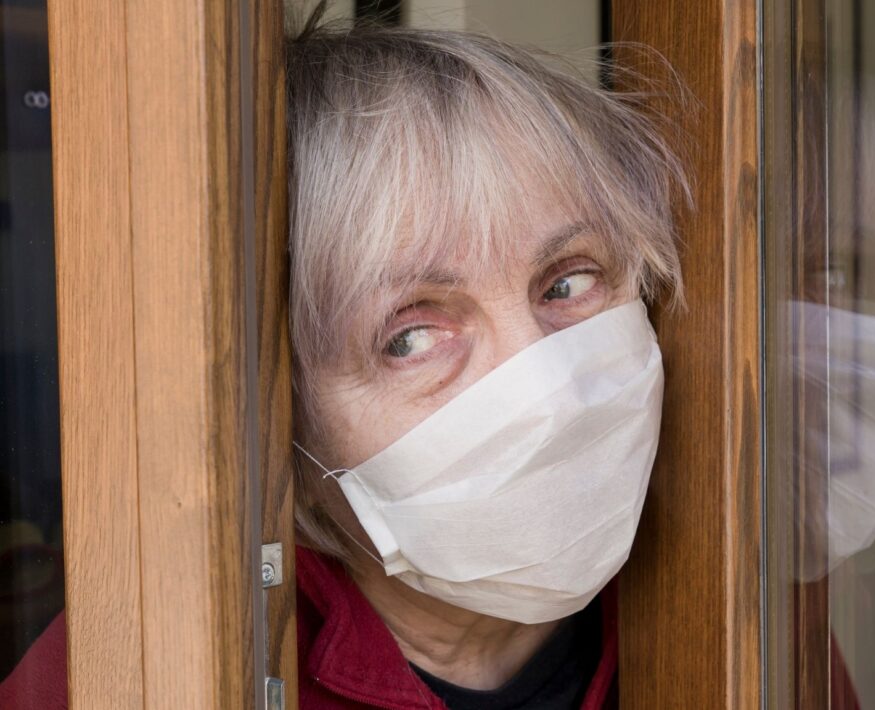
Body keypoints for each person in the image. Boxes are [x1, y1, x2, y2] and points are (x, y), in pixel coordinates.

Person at [1, 17, 685, 710]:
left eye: (568, 283)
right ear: (285, 416)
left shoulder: (722, 592)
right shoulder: (138, 668)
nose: (549, 390)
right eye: (410, 337)